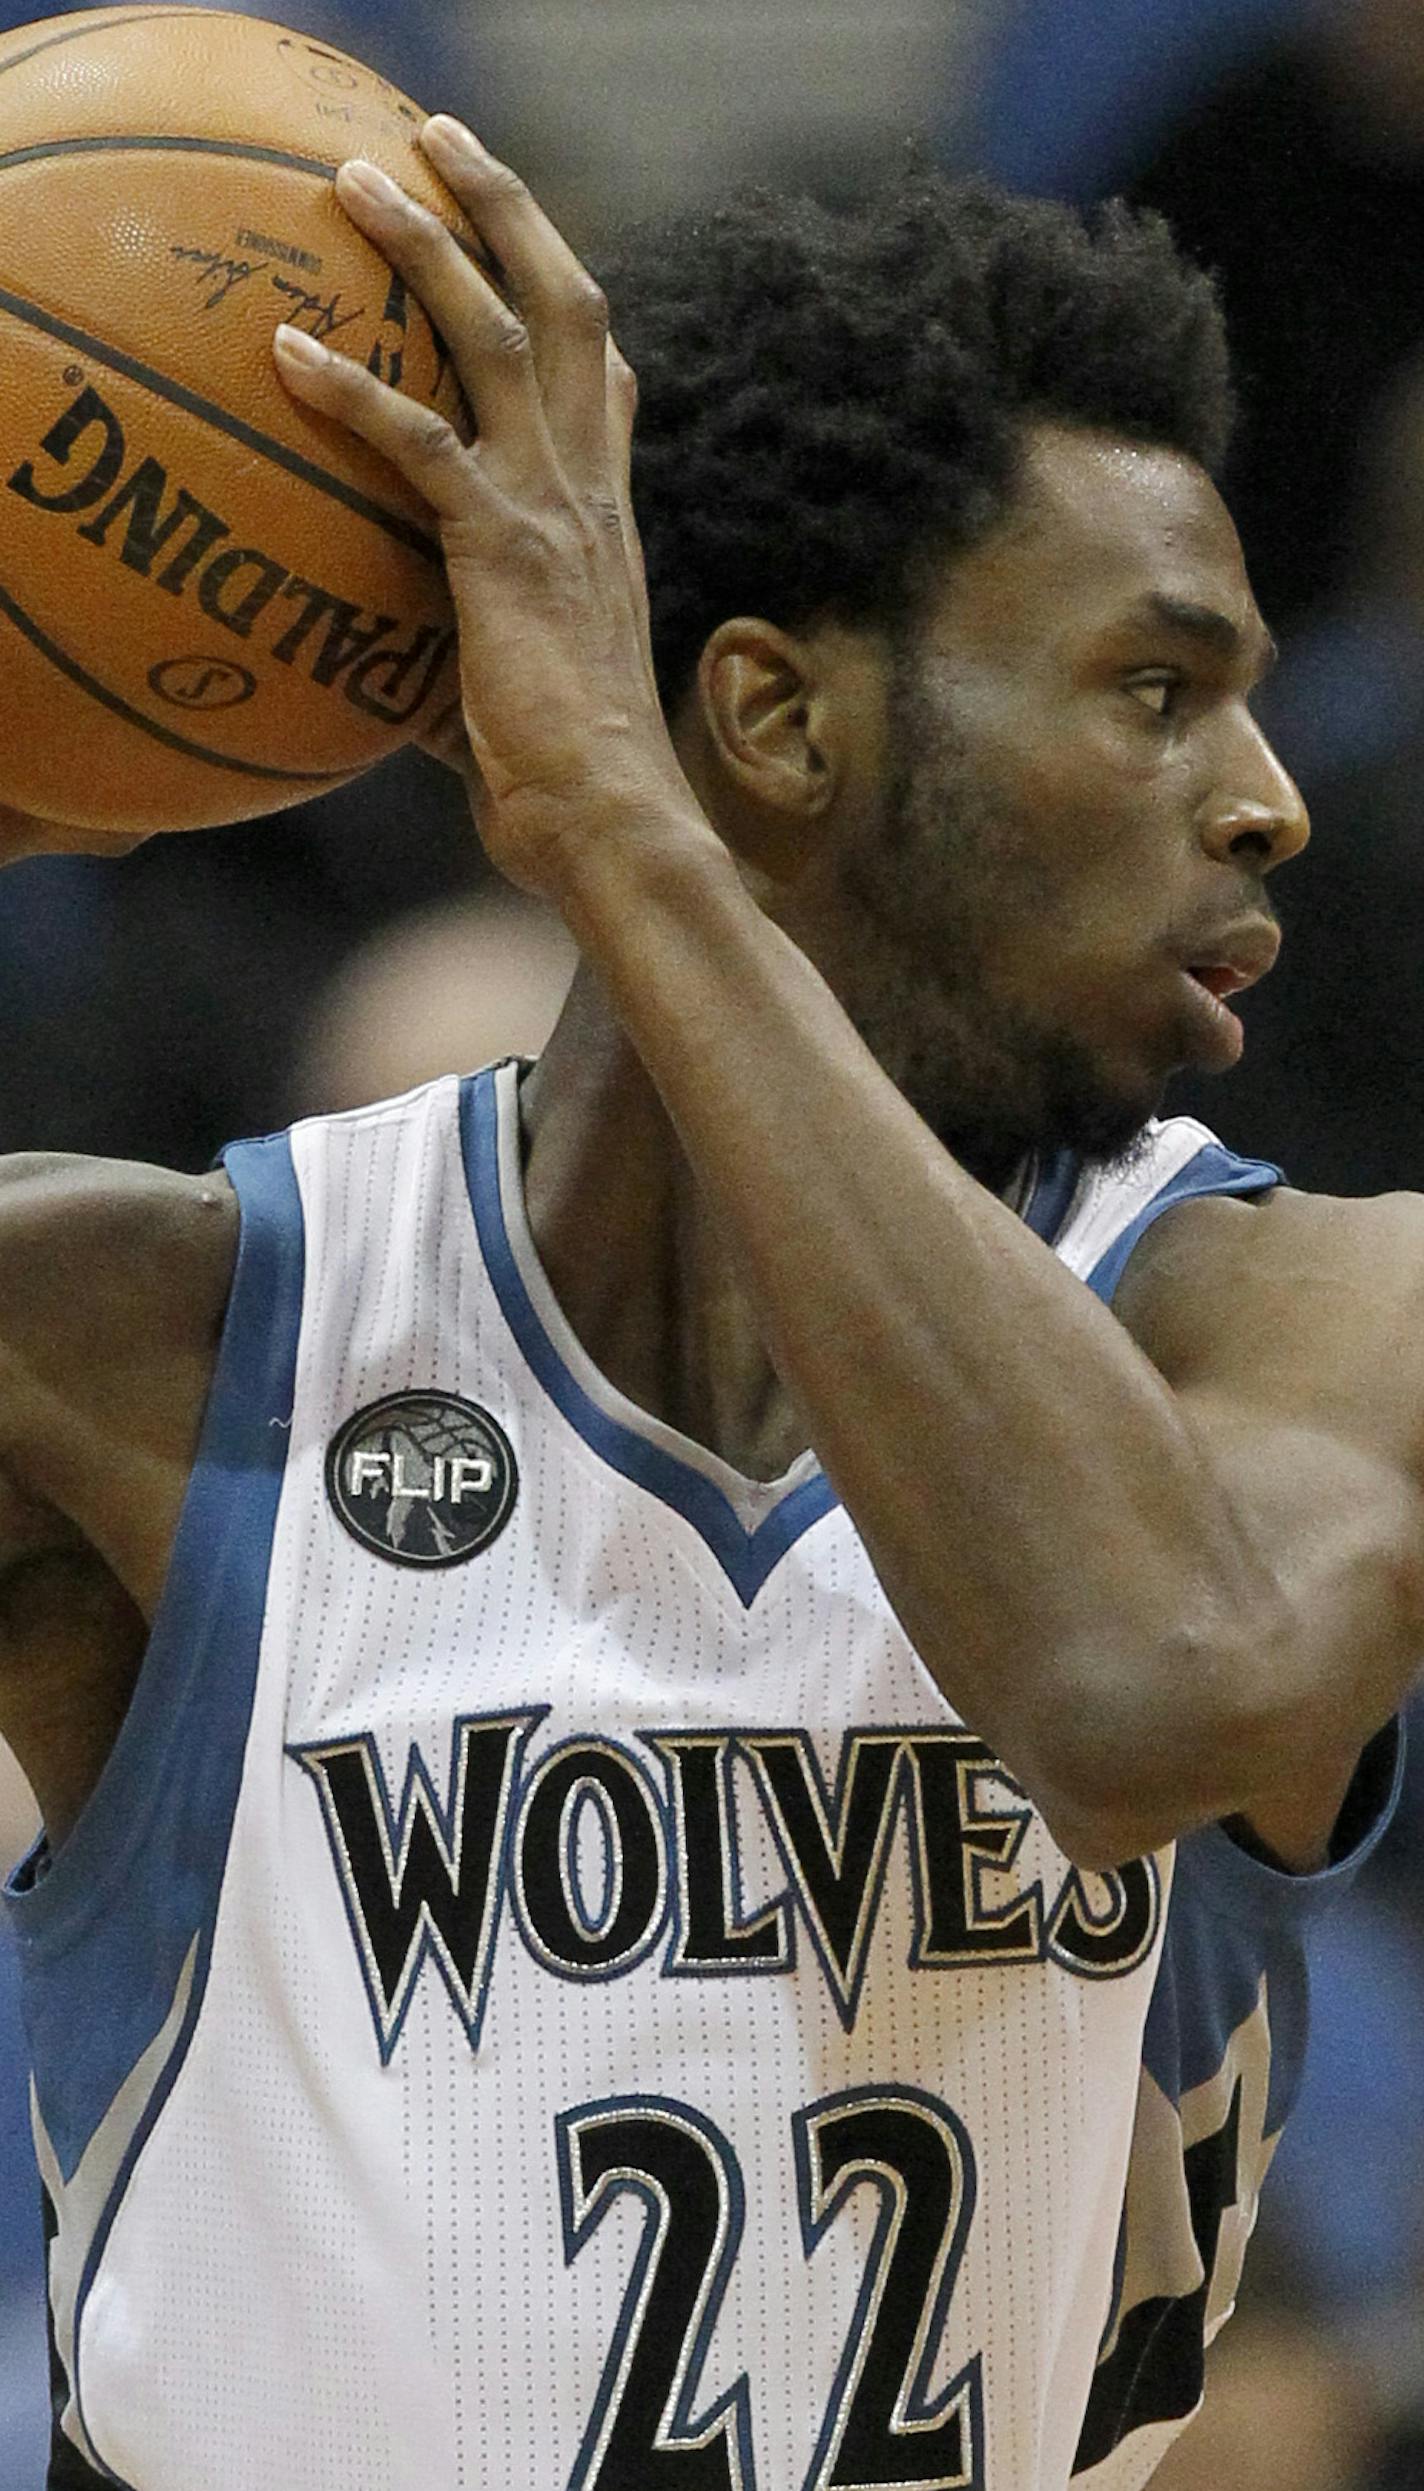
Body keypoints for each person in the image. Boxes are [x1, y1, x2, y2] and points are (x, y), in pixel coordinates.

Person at [0, 122, 1415, 2491]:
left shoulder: (1296, 1313)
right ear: (773, 719)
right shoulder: (141, 1334)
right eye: (1155, 690)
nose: (1265, 794)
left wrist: (628, 841)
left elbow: (1146, 1682)